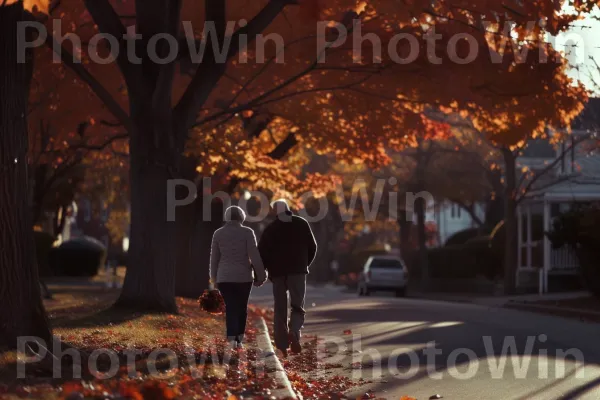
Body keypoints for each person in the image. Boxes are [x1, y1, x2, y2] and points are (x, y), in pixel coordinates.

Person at [258, 200, 317, 356]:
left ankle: (282, 345)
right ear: (288, 209)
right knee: (297, 306)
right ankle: (294, 332)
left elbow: (261, 253)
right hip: (298, 271)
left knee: (280, 309)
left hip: (278, 274)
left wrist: (262, 272)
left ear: (275, 212)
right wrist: (304, 264)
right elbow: (313, 247)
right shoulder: (302, 223)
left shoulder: (271, 229)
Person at [210, 206, 267, 348]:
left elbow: (214, 259)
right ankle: (239, 338)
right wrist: (261, 275)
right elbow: (254, 255)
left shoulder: (218, 233)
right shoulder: (247, 232)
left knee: (230, 307)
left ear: (227, 217)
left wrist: (213, 279)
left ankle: (231, 338)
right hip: (243, 277)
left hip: (224, 277)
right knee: (241, 307)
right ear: (241, 218)